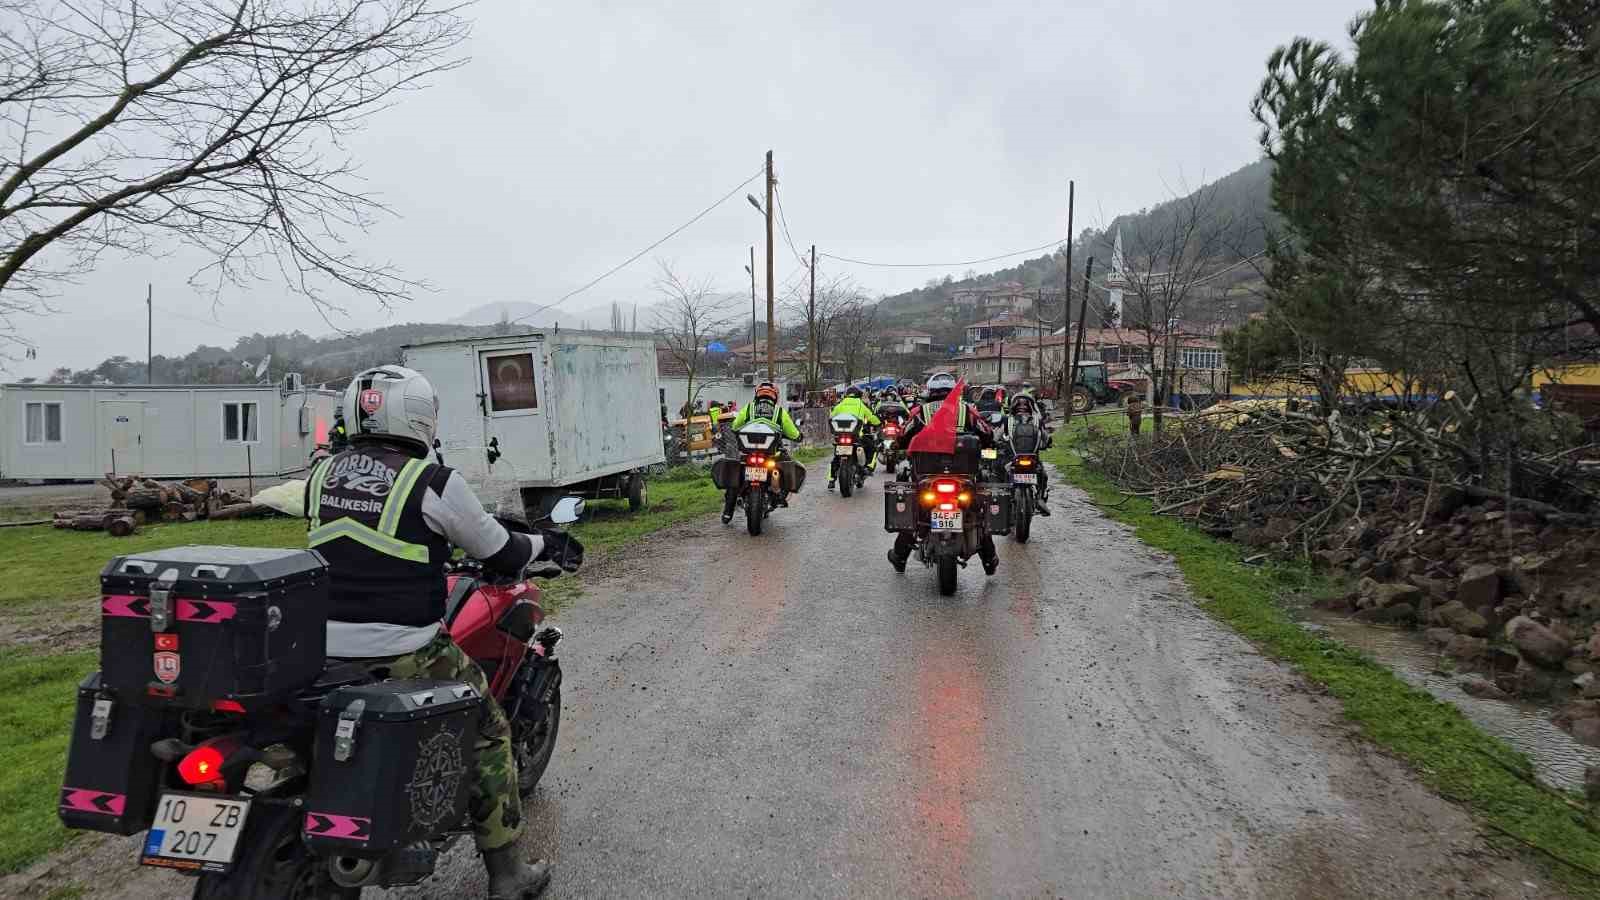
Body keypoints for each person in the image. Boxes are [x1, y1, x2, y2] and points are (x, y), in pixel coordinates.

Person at [304, 366, 583, 900]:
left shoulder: (323, 475)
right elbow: (500, 550)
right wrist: (546, 544)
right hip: (406, 647)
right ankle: (509, 874)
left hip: (322, 649)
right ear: (418, 416)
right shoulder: (431, 481)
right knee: (489, 732)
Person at [887, 373, 1000, 576]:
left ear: (930, 391)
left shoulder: (920, 411)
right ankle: (989, 561)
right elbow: (987, 434)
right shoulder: (967, 410)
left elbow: (902, 436)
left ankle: (900, 557)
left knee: (914, 515)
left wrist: (898, 445)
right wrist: (988, 443)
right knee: (977, 515)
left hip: (926, 478)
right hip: (963, 478)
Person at [725, 382, 803, 523]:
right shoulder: (779, 412)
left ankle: (727, 512)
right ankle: (780, 495)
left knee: (736, 475)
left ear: (757, 395)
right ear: (775, 397)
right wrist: (798, 436)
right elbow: (792, 432)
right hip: (770, 454)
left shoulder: (749, 408)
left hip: (749, 453)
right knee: (786, 463)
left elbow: (735, 426)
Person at [1003, 390, 1052, 516]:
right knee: (1043, 475)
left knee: (1001, 472)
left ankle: (1004, 500)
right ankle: (1040, 499)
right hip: (1032, 459)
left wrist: (995, 443)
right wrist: (1048, 443)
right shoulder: (1037, 420)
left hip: (1013, 459)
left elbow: (999, 435)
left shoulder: (1008, 420)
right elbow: (1045, 437)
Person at [827, 386, 881, 489]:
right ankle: (869, 467)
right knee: (872, 448)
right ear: (858, 395)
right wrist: (878, 423)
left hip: (840, 436)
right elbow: (871, 417)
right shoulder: (861, 404)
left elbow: (831, 416)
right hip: (855, 436)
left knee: (836, 457)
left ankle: (831, 479)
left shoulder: (840, 405)